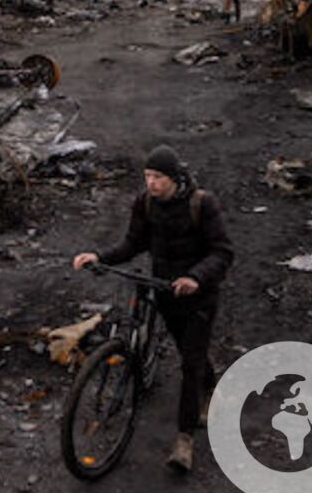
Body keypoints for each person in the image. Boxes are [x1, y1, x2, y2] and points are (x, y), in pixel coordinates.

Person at [71, 145, 233, 474]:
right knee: (189, 350)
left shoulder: (203, 204)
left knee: (190, 364)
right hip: (165, 293)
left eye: (157, 177)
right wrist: (99, 257)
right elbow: (133, 243)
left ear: (173, 178)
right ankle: (209, 381)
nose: (151, 183)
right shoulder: (145, 203)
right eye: (147, 176)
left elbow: (222, 252)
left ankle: (184, 439)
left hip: (199, 298)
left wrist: (195, 277)